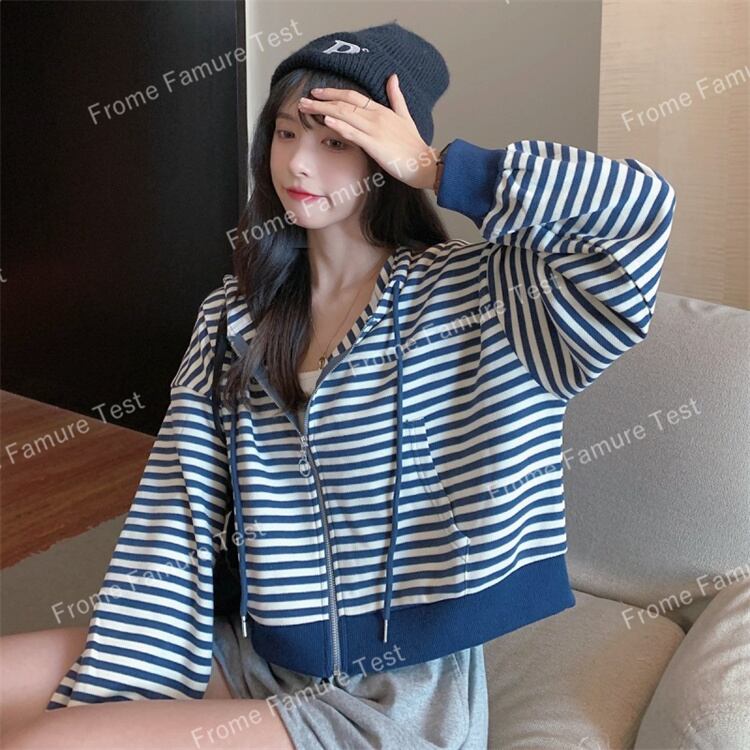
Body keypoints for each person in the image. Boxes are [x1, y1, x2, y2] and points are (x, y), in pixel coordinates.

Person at [2, 20, 677, 750]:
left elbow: (638, 218)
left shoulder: (481, 302)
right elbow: (177, 507)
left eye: (336, 141)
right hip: (253, 648)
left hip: (388, 701)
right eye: (288, 132)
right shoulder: (234, 316)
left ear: (384, 155)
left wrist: (436, 168)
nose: (299, 162)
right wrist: (143, 661)